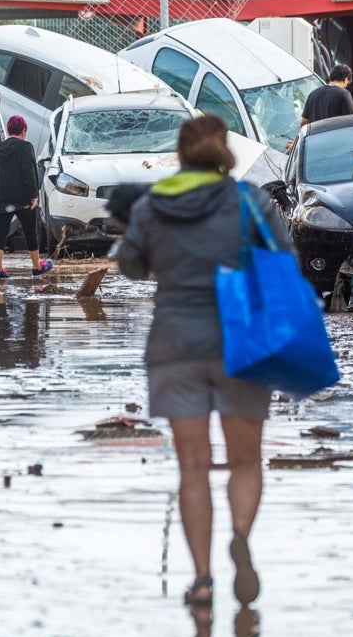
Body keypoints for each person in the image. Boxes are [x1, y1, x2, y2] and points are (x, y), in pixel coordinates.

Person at [115, 115, 293, 611]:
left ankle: (201, 581)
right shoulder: (253, 203)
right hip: (243, 344)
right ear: (224, 152)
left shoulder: (156, 206)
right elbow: (285, 260)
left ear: (182, 154)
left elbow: (129, 264)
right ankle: (239, 535)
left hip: (175, 344)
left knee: (193, 469)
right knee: (244, 461)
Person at [0, 114, 53, 279]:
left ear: (9, 131)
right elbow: (29, 172)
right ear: (24, 130)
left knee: (0, 233)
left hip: (0, 198)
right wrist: (33, 195)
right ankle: (37, 267)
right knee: (30, 231)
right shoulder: (26, 147)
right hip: (22, 199)